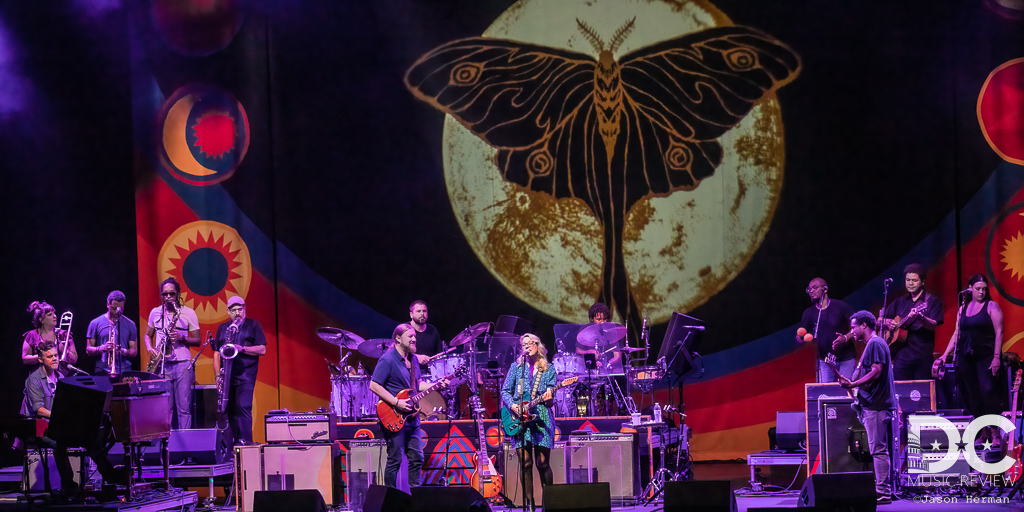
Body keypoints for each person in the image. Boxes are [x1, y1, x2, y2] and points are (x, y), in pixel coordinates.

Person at [22, 343, 120, 499]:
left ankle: (113, 479)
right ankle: (70, 487)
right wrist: (61, 417)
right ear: (40, 360)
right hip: (40, 427)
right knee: (58, 444)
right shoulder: (33, 380)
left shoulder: (61, 376)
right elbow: (38, 410)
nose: (54, 359)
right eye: (50, 356)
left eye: (55, 355)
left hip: (59, 425)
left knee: (90, 439)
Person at [369, 323, 447, 489]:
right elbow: (374, 385)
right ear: (398, 338)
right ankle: (390, 499)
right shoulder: (388, 360)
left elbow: (416, 384)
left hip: (412, 416)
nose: (414, 339)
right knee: (395, 459)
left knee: (417, 457)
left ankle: (415, 497)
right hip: (394, 415)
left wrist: (436, 385)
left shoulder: (413, 360)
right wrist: (396, 402)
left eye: (414, 337)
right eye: (410, 336)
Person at [837, 310, 895, 505]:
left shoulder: (876, 343)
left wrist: (853, 385)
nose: (851, 330)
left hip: (877, 406)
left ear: (864, 325)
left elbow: (877, 371)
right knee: (877, 448)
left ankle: (883, 492)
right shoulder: (872, 345)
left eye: (853, 326)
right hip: (872, 404)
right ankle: (882, 490)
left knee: (878, 450)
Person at [937, 274, 1004, 441]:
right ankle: (983, 432)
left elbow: (999, 332)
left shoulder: (991, 306)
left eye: (983, 289)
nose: (981, 292)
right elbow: (956, 334)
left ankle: (995, 431)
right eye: (977, 289)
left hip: (986, 356)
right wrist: (945, 354)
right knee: (972, 394)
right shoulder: (963, 308)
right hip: (967, 357)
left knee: (987, 391)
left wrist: (996, 357)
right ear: (970, 288)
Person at [501, 333, 557, 511]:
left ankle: (550, 504)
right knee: (525, 464)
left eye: (530, 343)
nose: (527, 346)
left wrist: (548, 399)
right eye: (523, 344)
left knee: (543, 463)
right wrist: (513, 406)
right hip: (520, 418)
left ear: (538, 345)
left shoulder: (548, 369)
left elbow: (549, 402)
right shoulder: (516, 367)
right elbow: (505, 391)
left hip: (542, 417)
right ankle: (529, 507)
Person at [144, 277, 200, 429]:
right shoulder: (155, 313)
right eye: (165, 294)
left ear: (178, 294)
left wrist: (182, 338)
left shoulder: (188, 313)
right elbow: (147, 335)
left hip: (182, 365)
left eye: (172, 294)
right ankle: (165, 447)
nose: (168, 297)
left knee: (184, 409)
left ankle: (185, 447)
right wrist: (149, 348)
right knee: (164, 409)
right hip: (162, 365)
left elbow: (198, 340)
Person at [213, 296, 266, 446]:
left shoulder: (254, 325)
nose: (237, 313)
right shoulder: (223, 328)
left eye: (240, 309)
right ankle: (233, 447)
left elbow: (262, 349)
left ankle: (247, 444)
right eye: (234, 310)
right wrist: (218, 376)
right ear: (228, 311)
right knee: (228, 410)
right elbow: (216, 353)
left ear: (244, 309)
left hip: (246, 375)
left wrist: (241, 348)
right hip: (227, 376)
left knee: (242, 406)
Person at [882, 264, 943, 380]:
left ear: (923, 282)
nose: (910, 283)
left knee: (921, 392)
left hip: (922, 357)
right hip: (901, 356)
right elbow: (880, 320)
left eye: (914, 280)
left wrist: (921, 317)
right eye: (908, 280)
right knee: (900, 390)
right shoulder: (899, 301)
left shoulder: (932, 301)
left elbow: (933, 325)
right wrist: (889, 322)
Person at [797, 278, 856, 382]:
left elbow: (858, 326)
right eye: (809, 289)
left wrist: (846, 338)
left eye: (814, 288)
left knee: (845, 393)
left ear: (825, 289)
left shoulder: (840, 306)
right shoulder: (809, 313)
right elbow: (801, 337)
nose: (811, 291)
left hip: (846, 359)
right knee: (826, 394)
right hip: (825, 362)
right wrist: (800, 338)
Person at [85, 290, 138, 377]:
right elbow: (88, 350)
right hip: (102, 371)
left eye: (121, 308)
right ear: (108, 304)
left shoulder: (130, 324)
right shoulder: (95, 323)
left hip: (124, 371)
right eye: (114, 308)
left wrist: (122, 351)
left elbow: (134, 351)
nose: (117, 311)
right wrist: (102, 348)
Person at [22, 301, 77, 366]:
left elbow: (74, 359)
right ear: (41, 320)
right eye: (50, 315)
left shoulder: (64, 334)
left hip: (63, 374)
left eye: (54, 313)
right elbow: (25, 359)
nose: (55, 316)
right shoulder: (32, 335)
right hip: (40, 374)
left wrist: (65, 351)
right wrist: (43, 355)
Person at [409, 300, 442, 366]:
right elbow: (397, 353)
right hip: (409, 372)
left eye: (424, 311)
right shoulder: (404, 329)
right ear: (411, 314)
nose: (422, 314)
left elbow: (439, 353)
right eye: (418, 311)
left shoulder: (432, 330)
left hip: (430, 372)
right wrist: (415, 358)